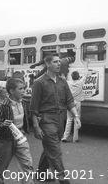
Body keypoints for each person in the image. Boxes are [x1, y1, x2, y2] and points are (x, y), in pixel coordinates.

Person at [30, 54, 81, 184]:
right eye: (55, 62)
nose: (59, 64)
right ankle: (63, 180)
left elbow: (69, 100)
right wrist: (36, 127)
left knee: (50, 147)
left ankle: (41, 174)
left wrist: (76, 116)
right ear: (47, 64)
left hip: (60, 119)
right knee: (55, 151)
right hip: (46, 120)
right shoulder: (39, 82)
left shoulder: (62, 81)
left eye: (59, 61)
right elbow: (33, 108)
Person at [0, 78, 34, 184]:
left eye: (24, 88)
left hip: (21, 138)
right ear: (11, 91)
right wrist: (2, 124)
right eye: (20, 89)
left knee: (27, 164)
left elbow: (27, 118)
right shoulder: (3, 106)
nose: (23, 91)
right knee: (0, 170)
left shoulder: (23, 103)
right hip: (7, 140)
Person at [62, 71, 84, 143]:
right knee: (76, 120)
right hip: (77, 103)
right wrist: (86, 65)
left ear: (72, 77)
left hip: (70, 103)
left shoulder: (68, 83)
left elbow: (63, 79)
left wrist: (63, 75)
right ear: (78, 76)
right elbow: (86, 75)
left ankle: (65, 137)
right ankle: (75, 138)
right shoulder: (81, 82)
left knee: (69, 120)